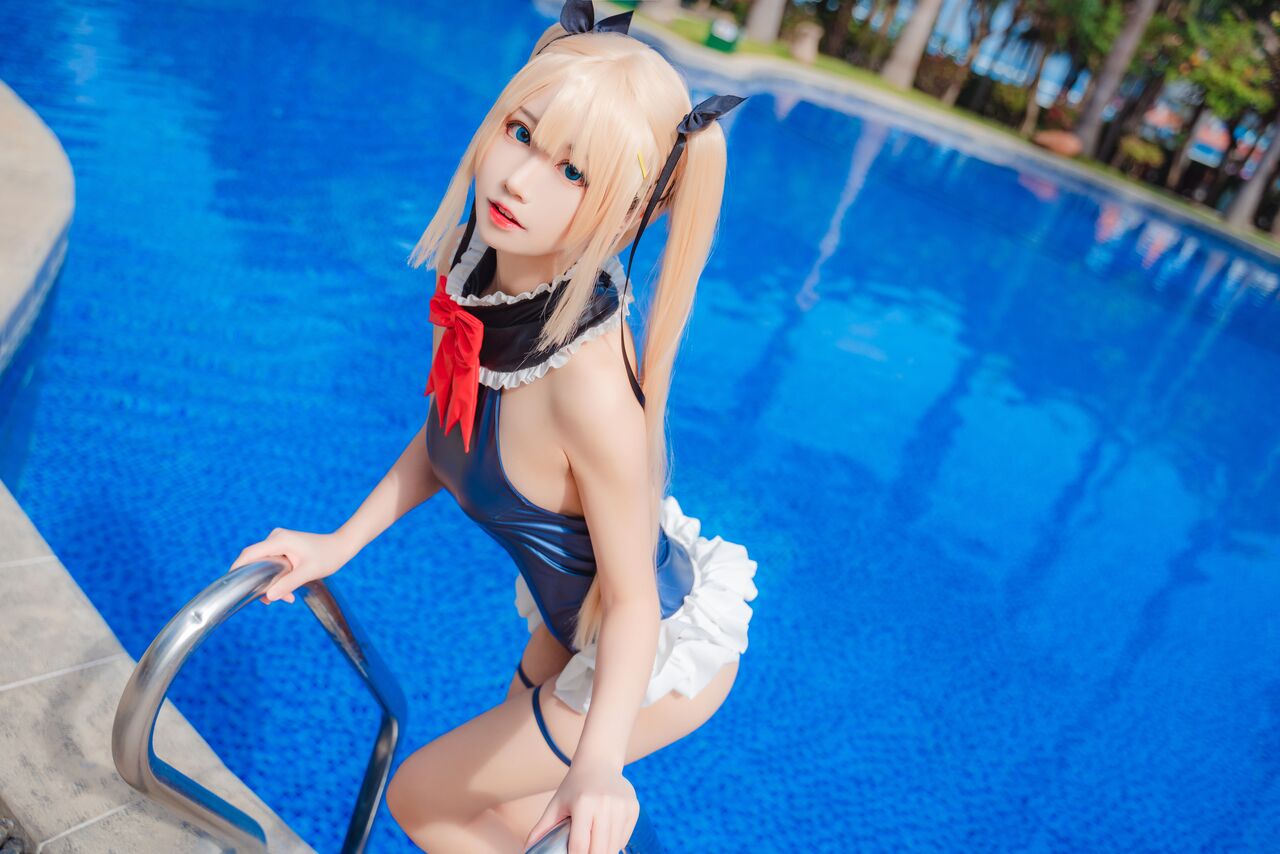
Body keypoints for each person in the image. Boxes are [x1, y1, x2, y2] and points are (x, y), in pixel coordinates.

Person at [229, 3, 758, 851]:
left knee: (424, 798)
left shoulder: (589, 388)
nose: (518, 181)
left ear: (631, 215)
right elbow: (449, 433)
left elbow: (632, 604)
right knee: (512, 822)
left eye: (573, 172)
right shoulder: (484, 271)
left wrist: (600, 762)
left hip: (650, 652)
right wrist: (339, 543)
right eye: (521, 133)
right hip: (567, 624)